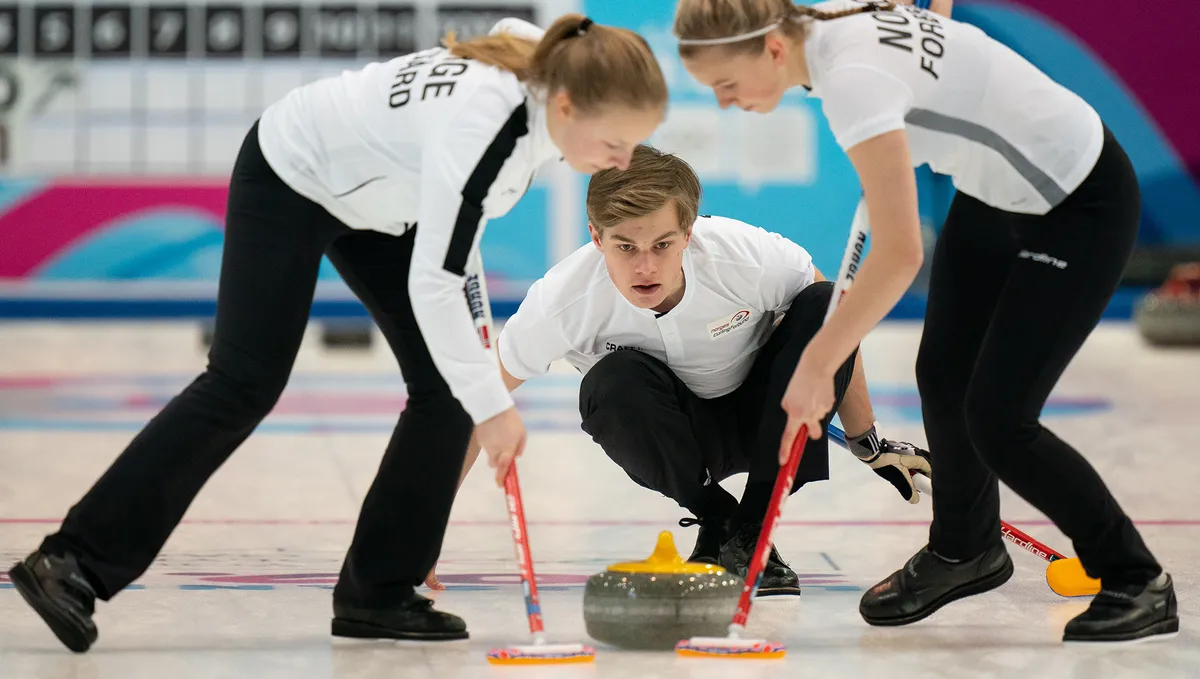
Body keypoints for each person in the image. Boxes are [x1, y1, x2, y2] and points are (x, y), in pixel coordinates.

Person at [7, 15, 667, 653]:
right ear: (570, 106)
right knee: (244, 380)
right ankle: (69, 560)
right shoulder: (486, 129)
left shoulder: (547, 66)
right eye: (614, 142)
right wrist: (494, 409)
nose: (621, 159)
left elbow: (456, 249)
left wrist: (479, 380)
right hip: (293, 171)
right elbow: (433, 283)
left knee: (449, 385)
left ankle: (379, 588)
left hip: (381, 199)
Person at [672, 0, 1177, 643]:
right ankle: (966, 549)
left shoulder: (851, 77)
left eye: (726, 85)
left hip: (1077, 198)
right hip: (991, 187)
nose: (723, 103)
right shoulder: (823, 22)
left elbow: (901, 253)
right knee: (942, 373)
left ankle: (1137, 579)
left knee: (998, 419)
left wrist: (819, 363)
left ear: (773, 50)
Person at [442, 144, 931, 595]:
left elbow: (836, 328)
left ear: (689, 232)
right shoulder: (563, 300)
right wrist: (423, 533)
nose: (645, 268)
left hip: (769, 417)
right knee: (609, 384)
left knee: (826, 305)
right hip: (680, 439)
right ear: (596, 237)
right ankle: (720, 519)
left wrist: (867, 439)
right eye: (625, 247)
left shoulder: (742, 255)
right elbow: (478, 400)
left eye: (662, 244)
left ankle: (754, 531)